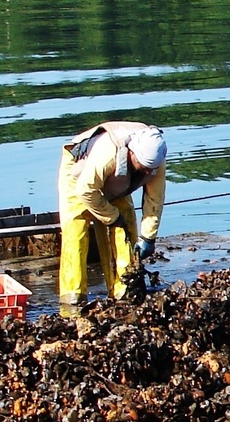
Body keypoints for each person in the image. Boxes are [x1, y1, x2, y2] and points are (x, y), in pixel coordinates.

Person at [57, 121, 166, 305]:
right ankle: (72, 298)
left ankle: (124, 290)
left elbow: (154, 200)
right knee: (76, 230)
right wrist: (111, 216)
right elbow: (86, 191)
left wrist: (148, 238)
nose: (148, 172)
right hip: (80, 174)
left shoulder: (155, 159)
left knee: (125, 225)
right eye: (144, 166)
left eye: (151, 169)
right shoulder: (107, 155)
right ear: (132, 154)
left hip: (118, 180)